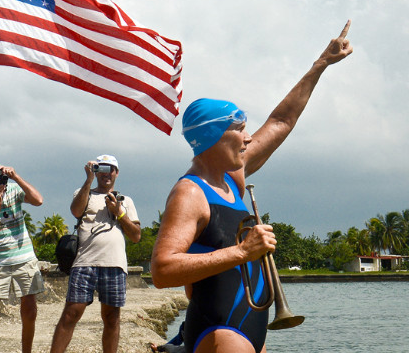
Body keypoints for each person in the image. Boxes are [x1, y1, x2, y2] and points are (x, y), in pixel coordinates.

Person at [150, 21, 354, 353]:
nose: (248, 137)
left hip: (251, 325)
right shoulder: (190, 192)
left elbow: (281, 122)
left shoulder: (232, 176)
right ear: (214, 137)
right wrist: (243, 252)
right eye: (241, 129)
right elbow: (162, 270)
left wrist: (320, 65)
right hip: (221, 326)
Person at [49, 154, 141, 353]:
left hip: (115, 264)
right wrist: (88, 179)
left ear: (116, 173)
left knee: (111, 318)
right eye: (102, 169)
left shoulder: (126, 200)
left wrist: (120, 213)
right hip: (84, 262)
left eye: (111, 169)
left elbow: (136, 236)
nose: (106, 174)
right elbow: (75, 211)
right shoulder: (84, 193)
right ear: (96, 171)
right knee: (71, 314)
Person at [0, 161, 45, 353]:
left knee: (29, 312)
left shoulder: (14, 188)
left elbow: (38, 200)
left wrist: (16, 177)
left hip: (24, 258)